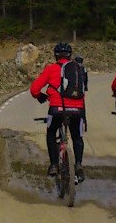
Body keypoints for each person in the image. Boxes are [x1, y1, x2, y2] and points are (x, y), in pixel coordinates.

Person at [30, 41, 86, 183]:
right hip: (78, 110)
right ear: (70, 55)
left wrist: (40, 96)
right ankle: (78, 164)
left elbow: (34, 89)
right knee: (77, 137)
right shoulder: (78, 69)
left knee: (51, 132)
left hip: (57, 109)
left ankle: (54, 164)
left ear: (56, 56)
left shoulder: (51, 68)